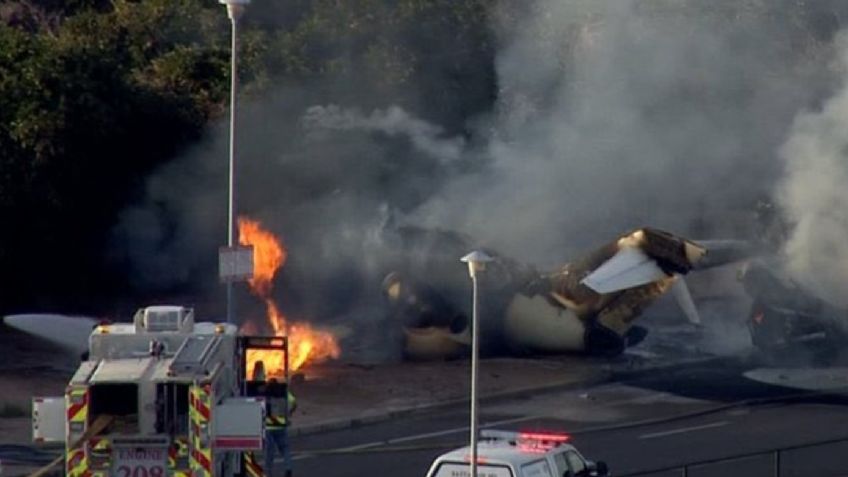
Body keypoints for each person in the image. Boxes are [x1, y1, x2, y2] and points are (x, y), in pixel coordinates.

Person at [264, 377, 297, 477]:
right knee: (285, 449)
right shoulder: (283, 391)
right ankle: (288, 468)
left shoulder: (266, 393)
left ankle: (268, 472)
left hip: (268, 426)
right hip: (281, 424)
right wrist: (289, 413)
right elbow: (294, 402)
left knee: (269, 452)